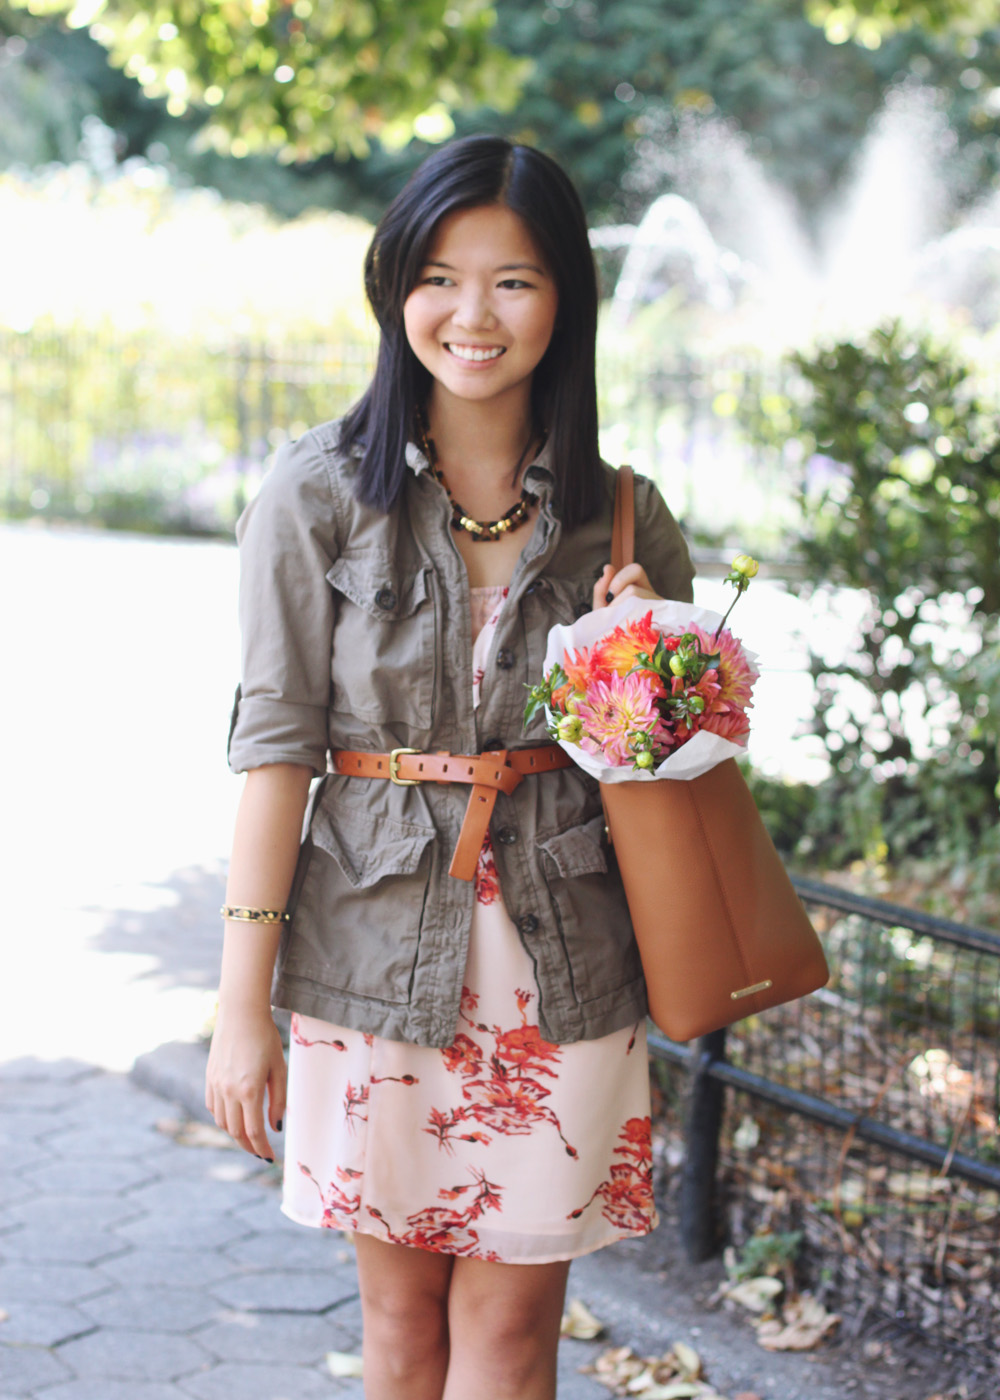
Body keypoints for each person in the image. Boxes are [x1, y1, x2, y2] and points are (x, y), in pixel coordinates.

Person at [206, 134, 694, 1400]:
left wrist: (640, 657)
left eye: (515, 280)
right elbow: (275, 753)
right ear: (394, 286)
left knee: (513, 1333)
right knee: (401, 1328)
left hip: (565, 964)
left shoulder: (623, 513)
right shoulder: (315, 494)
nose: (473, 315)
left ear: (565, 301)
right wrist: (238, 1005)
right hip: (369, 952)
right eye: (440, 274)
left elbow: (670, 779)